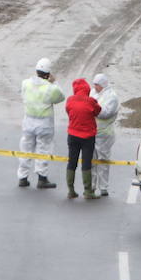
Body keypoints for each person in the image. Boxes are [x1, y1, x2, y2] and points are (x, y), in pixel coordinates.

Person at [18, 58, 64, 189]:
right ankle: (42, 178)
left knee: (25, 149)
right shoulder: (50, 88)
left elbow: (23, 95)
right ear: (48, 74)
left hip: (28, 122)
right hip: (44, 125)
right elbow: (60, 96)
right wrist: (55, 82)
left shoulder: (25, 83)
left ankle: (23, 177)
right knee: (43, 150)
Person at [65, 78, 102, 200]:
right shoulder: (91, 101)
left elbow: (68, 111)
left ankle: (71, 190)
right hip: (88, 137)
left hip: (72, 135)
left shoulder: (70, 100)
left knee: (72, 162)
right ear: (87, 89)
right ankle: (87, 191)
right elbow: (98, 111)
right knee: (86, 163)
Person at [92, 73, 119, 198]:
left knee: (103, 160)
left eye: (97, 85)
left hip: (104, 134)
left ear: (103, 84)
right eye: (94, 85)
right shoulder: (93, 93)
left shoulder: (111, 97)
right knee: (91, 160)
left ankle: (103, 187)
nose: (95, 87)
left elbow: (106, 113)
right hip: (92, 131)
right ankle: (92, 185)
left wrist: (92, 109)